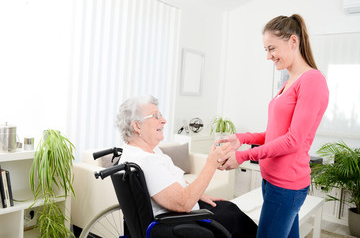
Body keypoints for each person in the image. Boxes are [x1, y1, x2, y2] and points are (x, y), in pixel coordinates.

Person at [218, 14, 329, 238]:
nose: (268, 56)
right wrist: (243, 138)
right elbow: (276, 134)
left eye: (272, 48)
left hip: (286, 186)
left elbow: (293, 140)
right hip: (272, 181)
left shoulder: (312, 81)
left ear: (293, 42)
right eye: (266, 50)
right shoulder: (289, 82)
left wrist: (242, 157)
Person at [115, 95, 258, 238]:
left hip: (184, 209)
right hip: (179, 219)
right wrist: (211, 162)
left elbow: (172, 183)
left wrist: (199, 194)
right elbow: (184, 203)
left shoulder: (140, 152)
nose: (164, 120)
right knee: (234, 217)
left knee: (229, 209)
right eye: (156, 116)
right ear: (137, 126)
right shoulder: (146, 161)